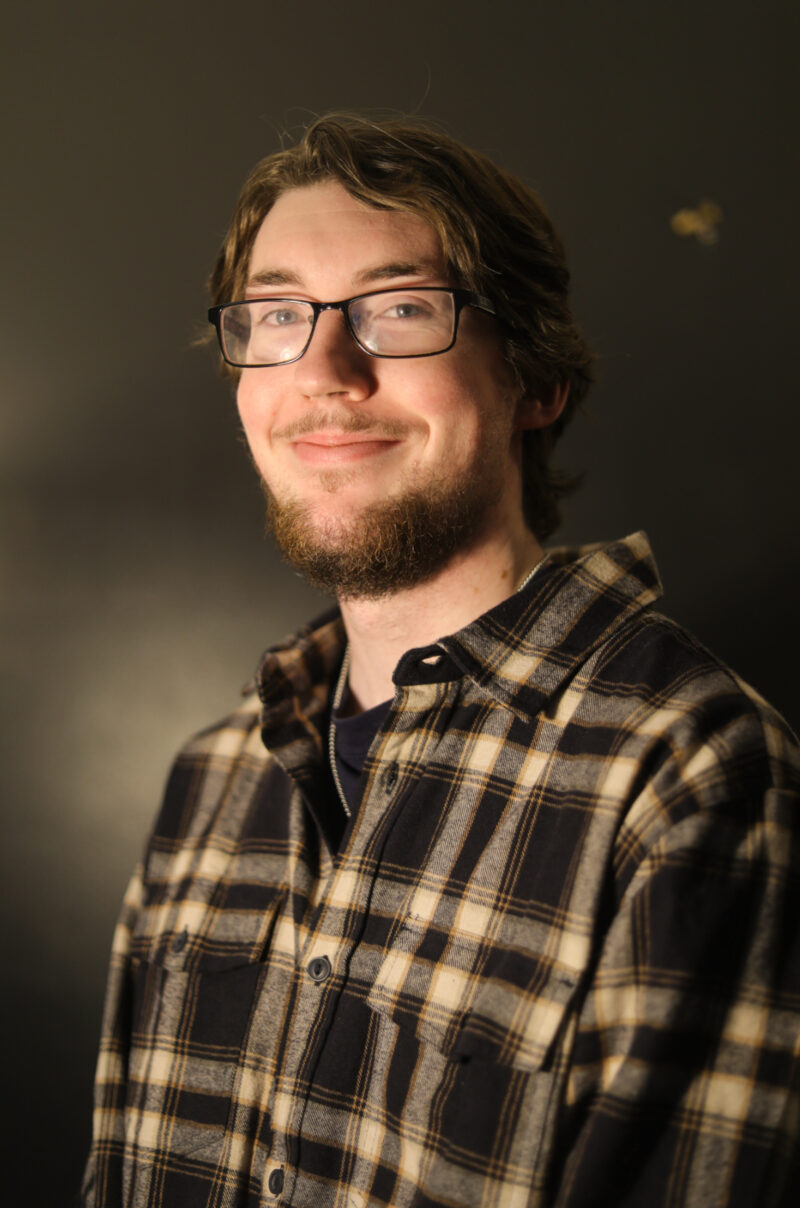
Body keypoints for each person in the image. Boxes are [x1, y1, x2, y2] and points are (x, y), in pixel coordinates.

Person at [80, 115, 800, 1208]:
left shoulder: (690, 774)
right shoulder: (213, 777)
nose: (324, 371)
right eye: (277, 315)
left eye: (401, 309)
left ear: (535, 381)